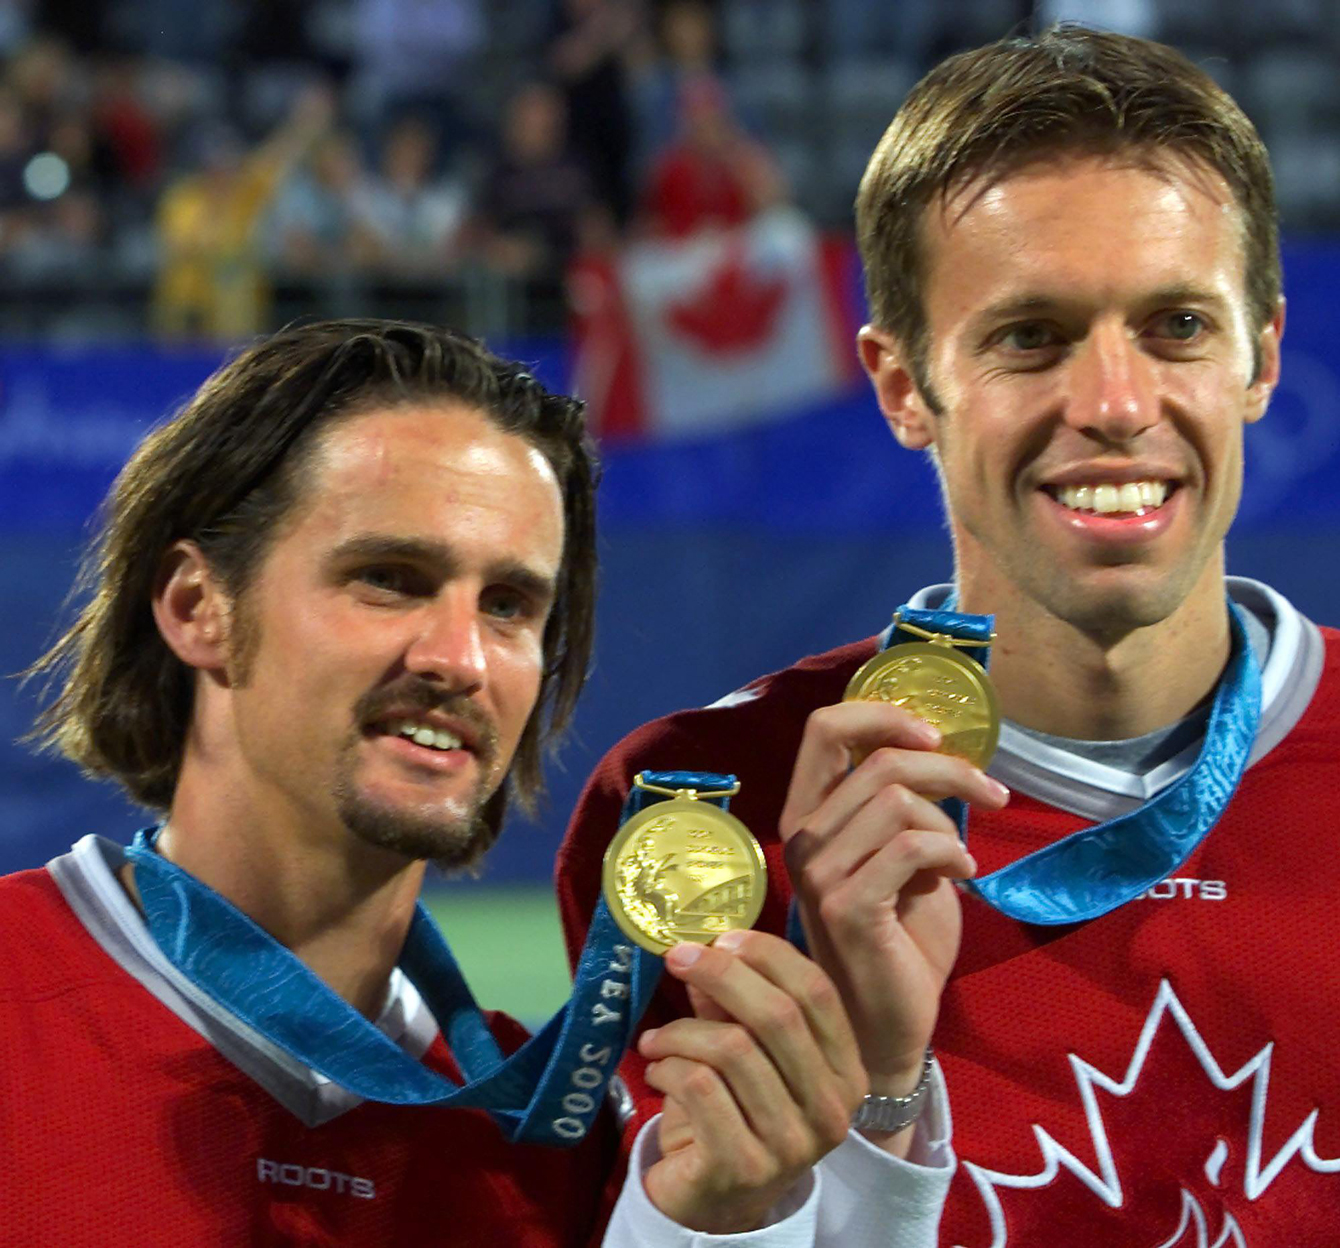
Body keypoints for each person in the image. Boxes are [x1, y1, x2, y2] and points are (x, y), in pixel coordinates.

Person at [557, 27, 1340, 1245]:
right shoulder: (700, 817)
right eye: (1029, 337)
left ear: (1261, 357)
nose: (1115, 405)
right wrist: (868, 1097)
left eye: (1176, 326)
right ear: (901, 387)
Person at [3, 319, 930, 1245]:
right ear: (198, 608)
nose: (462, 659)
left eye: (509, 606)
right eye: (389, 578)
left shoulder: (565, 1149)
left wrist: (733, 1216)